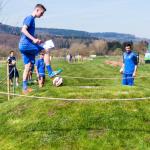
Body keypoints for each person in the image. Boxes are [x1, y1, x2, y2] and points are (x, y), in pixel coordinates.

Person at [18, 4, 62, 94]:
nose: (42, 15)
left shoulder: (32, 20)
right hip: (25, 45)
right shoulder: (29, 18)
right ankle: (50, 72)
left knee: (27, 66)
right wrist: (33, 39)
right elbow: (23, 30)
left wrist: (36, 40)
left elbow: (27, 34)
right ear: (37, 10)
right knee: (46, 50)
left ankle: (24, 88)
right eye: (42, 13)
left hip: (23, 46)